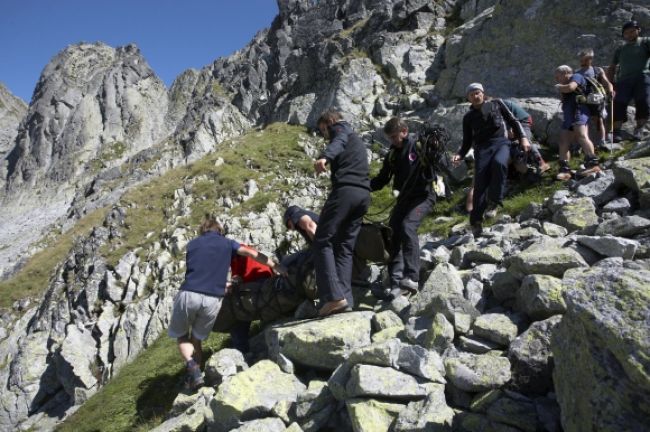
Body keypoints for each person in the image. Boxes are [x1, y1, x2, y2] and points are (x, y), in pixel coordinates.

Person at [168, 218, 284, 390]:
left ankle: (194, 370)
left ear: (203, 230)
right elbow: (251, 254)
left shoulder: (192, 244)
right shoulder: (228, 243)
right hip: (214, 298)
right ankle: (199, 375)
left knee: (183, 336)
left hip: (190, 292)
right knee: (197, 339)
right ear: (220, 230)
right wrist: (276, 266)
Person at [452, 83, 530, 236]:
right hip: (482, 149)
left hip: (501, 143)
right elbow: (467, 141)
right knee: (480, 182)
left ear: (483, 93)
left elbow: (514, 121)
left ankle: (494, 202)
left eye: (477, 93)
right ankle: (476, 222)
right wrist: (460, 155)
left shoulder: (497, 104)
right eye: (471, 94)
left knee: (499, 163)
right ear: (468, 98)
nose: (475, 96)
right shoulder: (468, 117)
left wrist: (523, 138)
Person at [313, 110, 370, 317]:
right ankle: (346, 299)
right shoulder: (352, 135)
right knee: (344, 246)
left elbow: (338, 140)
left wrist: (324, 157)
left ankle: (334, 297)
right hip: (363, 194)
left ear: (329, 123)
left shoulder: (340, 128)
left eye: (323, 130)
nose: (324, 135)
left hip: (345, 191)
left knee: (321, 240)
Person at [370, 117, 436, 296]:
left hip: (424, 196)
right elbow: (383, 178)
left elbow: (435, 161)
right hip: (404, 199)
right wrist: (363, 187)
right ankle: (396, 282)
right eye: (390, 138)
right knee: (392, 234)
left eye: (394, 137)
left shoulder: (418, 146)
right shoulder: (392, 154)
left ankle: (412, 278)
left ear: (404, 132)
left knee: (408, 227)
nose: (392, 141)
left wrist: (433, 147)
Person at [464, 99, 550, 213]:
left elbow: (510, 121)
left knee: (521, 141)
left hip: (521, 120)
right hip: (501, 136)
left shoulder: (495, 105)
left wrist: (511, 133)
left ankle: (540, 163)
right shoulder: (478, 119)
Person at [553, 65, 601, 181]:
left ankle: (593, 164)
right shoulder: (566, 82)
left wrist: (559, 87)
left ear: (565, 73)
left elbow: (571, 87)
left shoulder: (577, 76)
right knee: (563, 140)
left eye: (558, 76)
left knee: (582, 135)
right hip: (569, 114)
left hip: (579, 110)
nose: (556, 79)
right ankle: (565, 170)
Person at [607, 20, 650, 142]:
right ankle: (617, 132)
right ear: (623, 35)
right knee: (619, 103)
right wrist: (609, 84)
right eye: (626, 33)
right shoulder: (620, 49)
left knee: (643, 102)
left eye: (632, 31)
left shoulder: (645, 42)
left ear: (638, 30)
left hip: (643, 77)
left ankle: (639, 130)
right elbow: (612, 67)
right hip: (623, 80)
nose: (630, 34)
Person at [227, 245, 275, 355]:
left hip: (256, 284)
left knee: (239, 315)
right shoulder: (242, 248)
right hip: (268, 281)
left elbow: (238, 278)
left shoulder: (235, 254)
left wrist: (231, 283)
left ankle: (241, 351)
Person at [575, 48, 614, 148]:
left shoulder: (597, 70)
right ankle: (585, 142)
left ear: (590, 59)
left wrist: (610, 89)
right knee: (585, 121)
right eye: (582, 59)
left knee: (599, 119)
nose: (583, 61)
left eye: (586, 58)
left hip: (596, 99)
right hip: (583, 100)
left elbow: (606, 82)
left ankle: (602, 140)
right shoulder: (577, 73)